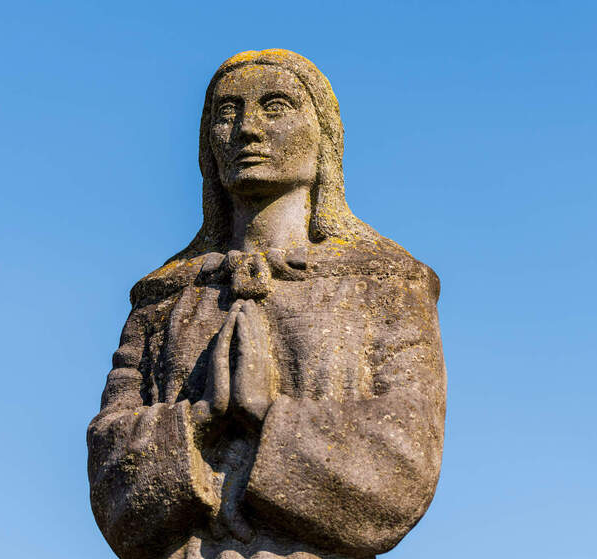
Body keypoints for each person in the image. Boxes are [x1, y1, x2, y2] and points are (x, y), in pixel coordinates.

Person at [88, 49, 447, 559]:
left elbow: (405, 460)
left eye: (275, 107)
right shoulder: (161, 299)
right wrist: (199, 421)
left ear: (324, 136)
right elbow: (108, 464)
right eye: (227, 113)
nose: (247, 129)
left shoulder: (387, 284)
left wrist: (268, 416)